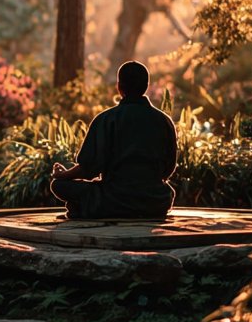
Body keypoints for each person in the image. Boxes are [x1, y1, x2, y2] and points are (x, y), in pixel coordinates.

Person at [50, 61, 177, 220]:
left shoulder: (106, 119)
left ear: (119, 86)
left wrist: (63, 175)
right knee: (167, 191)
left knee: (58, 186)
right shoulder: (164, 121)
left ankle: (85, 209)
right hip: (154, 201)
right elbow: (168, 169)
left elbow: (88, 169)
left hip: (112, 199)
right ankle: (87, 209)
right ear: (146, 85)